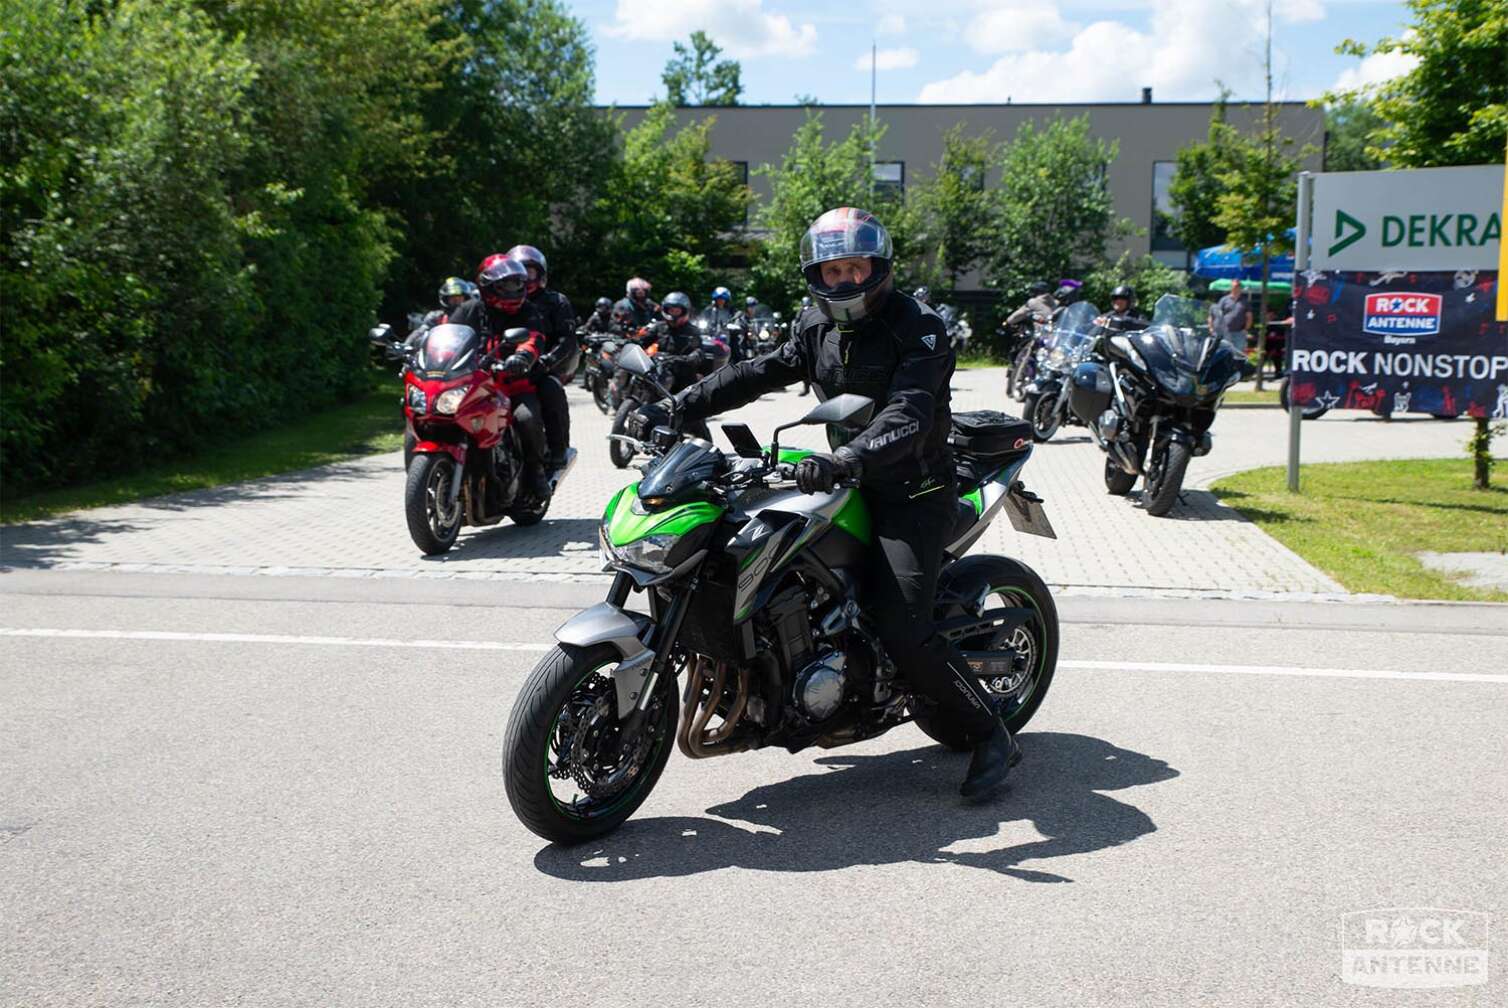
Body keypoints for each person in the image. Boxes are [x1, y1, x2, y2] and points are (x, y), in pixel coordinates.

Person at [629, 206, 1020, 800]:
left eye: (855, 267)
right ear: (816, 273)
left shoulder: (919, 326)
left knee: (901, 625)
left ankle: (992, 733)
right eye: (832, 271)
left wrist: (849, 458)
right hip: (848, 475)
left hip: (913, 489)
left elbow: (911, 410)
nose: (845, 281)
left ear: (879, 267)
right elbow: (759, 370)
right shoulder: (814, 323)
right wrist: (679, 405)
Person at [443, 255, 551, 500]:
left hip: (513, 384)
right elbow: (448, 336)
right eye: (507, 285)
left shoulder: (527, 310)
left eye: (517, 284)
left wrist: (522, 358)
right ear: (488, 285)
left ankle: (535, 471)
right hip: (474, 384)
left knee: (526, 417)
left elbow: (533, 338)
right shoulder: (469, 309)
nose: (515, 291)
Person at [506, 245, 575, 470]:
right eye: (518, 272)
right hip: (502, 368)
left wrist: (546, 362)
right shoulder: (498, 301)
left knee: (550, 390)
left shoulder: (555, 301)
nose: (524, 278)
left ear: (541, 273)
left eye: (530, 272)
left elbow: (567, 339)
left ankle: (557, 449)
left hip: (541, 368)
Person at [1210, 279, 1250, 353]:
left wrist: (1245, 329)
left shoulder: (1245, 301)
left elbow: (1249, 316)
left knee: (1238, 353)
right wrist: (1212, 328)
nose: (1237, 288)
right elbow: (1217, 314)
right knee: (1225, 352)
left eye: (1238, 286)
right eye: (1235, 286)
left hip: (1239, 333)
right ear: (1231, 287)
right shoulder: (1224, 300)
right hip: (1225, 332)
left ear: (1241, 288)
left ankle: (1237, 365)